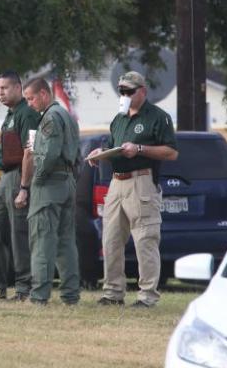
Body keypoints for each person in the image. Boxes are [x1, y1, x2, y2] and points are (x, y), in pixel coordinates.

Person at [86, 71, 178, 308]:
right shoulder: (119, 118)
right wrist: (99, 155)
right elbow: (111, 146)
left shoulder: (158, 117)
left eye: (129, 91)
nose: (124, 95)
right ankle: (113, 292)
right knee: (111, 238)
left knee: (145, 238)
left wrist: (139, 149)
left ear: (142, 91)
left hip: (141, 180)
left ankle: (147, 296)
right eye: (122, 91)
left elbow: (171, 152)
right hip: (116, 182)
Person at [17, 78, 80, 305]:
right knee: (66, 241)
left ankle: (39, 295)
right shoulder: (68, 117)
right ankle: (70, 294)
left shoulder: (50, 118)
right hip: (67, 182)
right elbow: (77, 153)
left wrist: (37, 179)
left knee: (42, 240)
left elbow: (48, 155)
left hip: (50, 184)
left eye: (31, 98)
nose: (30, 103)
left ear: (44, 94)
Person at [0, 71, 40, 301]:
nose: (0, 93)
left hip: (19, 175)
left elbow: (31, 151)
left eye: (5, 88)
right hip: (5, 177)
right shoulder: (9, 115)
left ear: (18, 88)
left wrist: (24, 187)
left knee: (19, 234)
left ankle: (24, 287)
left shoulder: (27, 113)